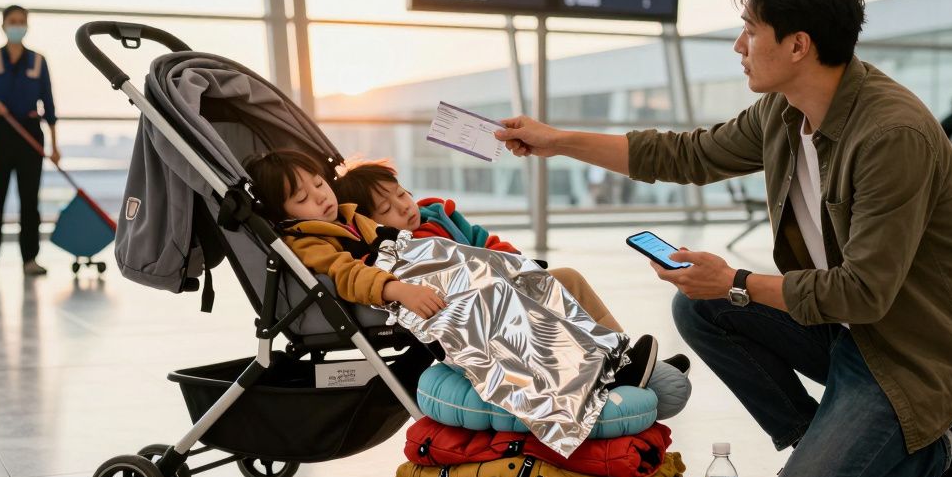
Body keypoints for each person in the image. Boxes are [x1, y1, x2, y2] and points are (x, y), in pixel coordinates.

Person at [494, 0, 952, 477]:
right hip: (848, 330)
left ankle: (949, 446)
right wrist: (557, 141)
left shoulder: (891, 134)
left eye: (751, 29)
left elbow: (866, 292)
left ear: (798, 45)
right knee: (699, 307)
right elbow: (688, 154)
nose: (739, 45)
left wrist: (734, 279)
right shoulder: (784, 111)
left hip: (916, 351)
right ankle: (818, 447)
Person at [244, 148, 659, 388]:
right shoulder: (312, 240)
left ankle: (616, 353)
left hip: (454, 281)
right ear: (283, 213)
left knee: (566, 279)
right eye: (302, 198)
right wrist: (398, 290)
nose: (319, 198)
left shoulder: (353, 218)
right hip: (410, 300)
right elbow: (351, 275)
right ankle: (595, 368)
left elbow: (472, 241)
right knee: (533, 299)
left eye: (319, 184)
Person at [331, 159, 625, 333]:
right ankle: (608, 346)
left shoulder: (438, 214)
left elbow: (482, 240)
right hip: (478, 304)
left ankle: (615, 341)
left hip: (501, 280)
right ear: (371, 222)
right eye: (386, 208)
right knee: (566, 282)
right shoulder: (398, 250)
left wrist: (515, 263)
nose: (403, 207)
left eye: (401, 194)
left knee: (568, 280)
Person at [0, 4, 60, 277]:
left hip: (30, 132)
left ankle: (29, 258)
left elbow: (50, 107)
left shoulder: (38, 61)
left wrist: (54, 146)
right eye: (12, 21)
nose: (17, 25)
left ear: (27, 25)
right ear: (3, 25)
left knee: (29, 200)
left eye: (21, 21)